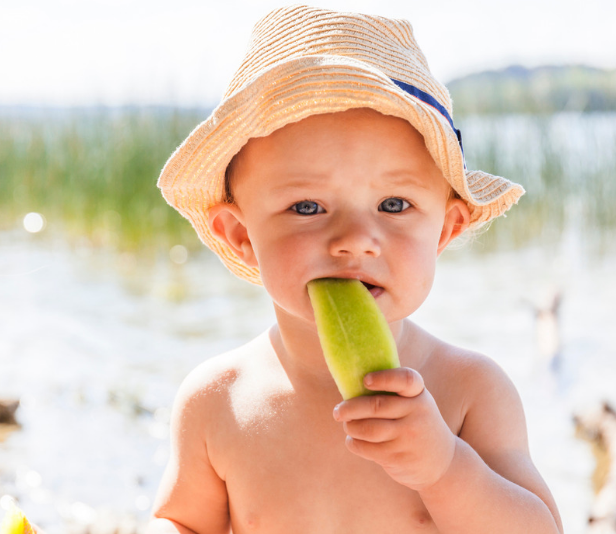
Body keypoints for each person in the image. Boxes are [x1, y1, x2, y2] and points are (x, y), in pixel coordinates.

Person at [148, 5, 563, 533]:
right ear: (242, 235)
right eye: (306, 207)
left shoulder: (469, 391)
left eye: (393, 205)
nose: (354, 241)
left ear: (444, 230)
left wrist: (444, 467)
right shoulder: (217, 400)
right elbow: (182, 523)